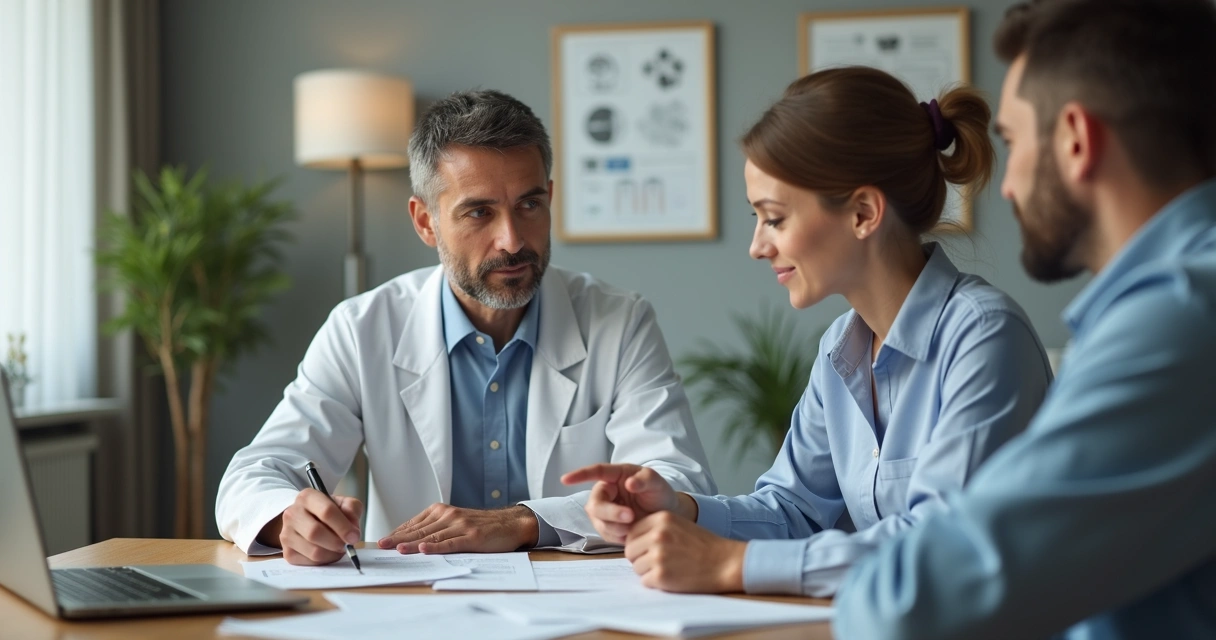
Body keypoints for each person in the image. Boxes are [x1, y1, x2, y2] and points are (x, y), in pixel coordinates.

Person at [563, 66, 1053, 596]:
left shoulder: (983, 339)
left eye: (773, 218)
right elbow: (792, 509)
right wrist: (679, 508)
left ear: (863, 212)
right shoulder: (843, 349)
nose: (757, 246)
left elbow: (941, 548)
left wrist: (734, 565)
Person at [832, 1, 1216, 638]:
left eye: (1012, 141)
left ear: (1074, 140)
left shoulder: (1180, 314)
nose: (1003, 186)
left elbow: (919, 601)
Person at [215, 89, 715, 564]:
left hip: (575, 601)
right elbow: (252, 476)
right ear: (425, 221)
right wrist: (287, 519)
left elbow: (680, 484)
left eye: (529, 204)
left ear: (551, 199)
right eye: (479, 211)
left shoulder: (620, 322)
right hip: (414, 605)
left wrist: (523, 522)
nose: (512, 239)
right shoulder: (362, 328)